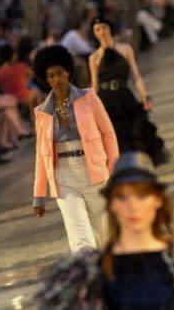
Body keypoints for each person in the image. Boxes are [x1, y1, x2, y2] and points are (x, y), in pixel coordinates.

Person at [35, 151, 174, 309]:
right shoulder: (88, 276)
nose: (133, 206)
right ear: (112, 204)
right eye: (123, 197)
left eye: (142, 195)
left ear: (156, 200)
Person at [32, 45, 119, 254]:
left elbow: (108, 134)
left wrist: (115, 172)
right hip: (63, 177)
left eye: (60, 72)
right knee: (80, 236)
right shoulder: (41, 113)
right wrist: (38, 195)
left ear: (68, 71)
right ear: (47, 79)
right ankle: (88, 278)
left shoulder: (88, 97)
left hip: (94, 172)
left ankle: (109, 276)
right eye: (51, 75)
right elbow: (41, 154)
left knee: (104, 233)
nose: (57, 79)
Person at [89, 16, 170, 166]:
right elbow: (94, 85)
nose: (102, 32)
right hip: (106, 100)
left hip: (125, 96)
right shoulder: (94, 58)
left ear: (110, 28)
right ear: (94, 33)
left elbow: (136, 75)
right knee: (114, 137)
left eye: (104, 27)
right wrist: (91, 109)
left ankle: (138, 168)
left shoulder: (125, 49)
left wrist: (145, 95)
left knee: (135, 131)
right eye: (97, 29)